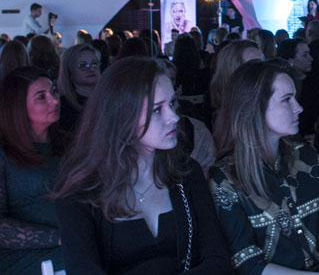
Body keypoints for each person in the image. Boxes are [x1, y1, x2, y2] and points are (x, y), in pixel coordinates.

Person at [53, 57, 231, 273]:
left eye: (172, 103)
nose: (174, 117)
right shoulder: (80, 190)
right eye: (157, 110)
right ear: (122, 116)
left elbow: (218, 259)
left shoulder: (186, 172)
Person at [210, 60, 319, 274]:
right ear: (255, 108)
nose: (299, 107)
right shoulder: (225, 179)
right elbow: (247, 263)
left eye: (294, 98)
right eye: (286, 100)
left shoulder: (306, 157)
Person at [0, 67, 67, 274]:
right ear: (18, 107)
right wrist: (60, 237)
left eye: (54, 92)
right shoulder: (4, 154)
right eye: (41, 97)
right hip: (26, 256)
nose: (54, 101)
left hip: (74, 244)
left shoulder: (68, 143)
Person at [277, 38, 319, 136]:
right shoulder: (280, 87)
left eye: (309, 54)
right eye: (305, 55)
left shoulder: (315, 84)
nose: (311, 59)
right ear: (290, 60)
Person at [56, 43, 101, 132]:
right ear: (70, 72)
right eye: (83, 66)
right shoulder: (64, 107)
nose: (91, 69)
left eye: (94, 64)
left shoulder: (109, 97)